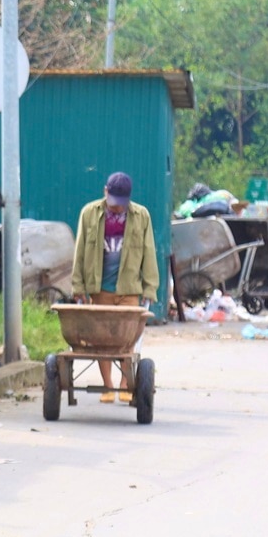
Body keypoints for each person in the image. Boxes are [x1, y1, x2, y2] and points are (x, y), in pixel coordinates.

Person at [72, 171, 159, 403]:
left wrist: (150, 288)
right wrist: (78, 286)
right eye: (114, 203)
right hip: (100, 287)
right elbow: (79, 251)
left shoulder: (141, 216)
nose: (118, 208)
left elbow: (149, 252)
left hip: (129, 288)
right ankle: (108, 386)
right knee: (103, 341)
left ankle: (126, 384)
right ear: (105, 192)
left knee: (128, 339)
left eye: (122, 204)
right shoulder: (89, 214)